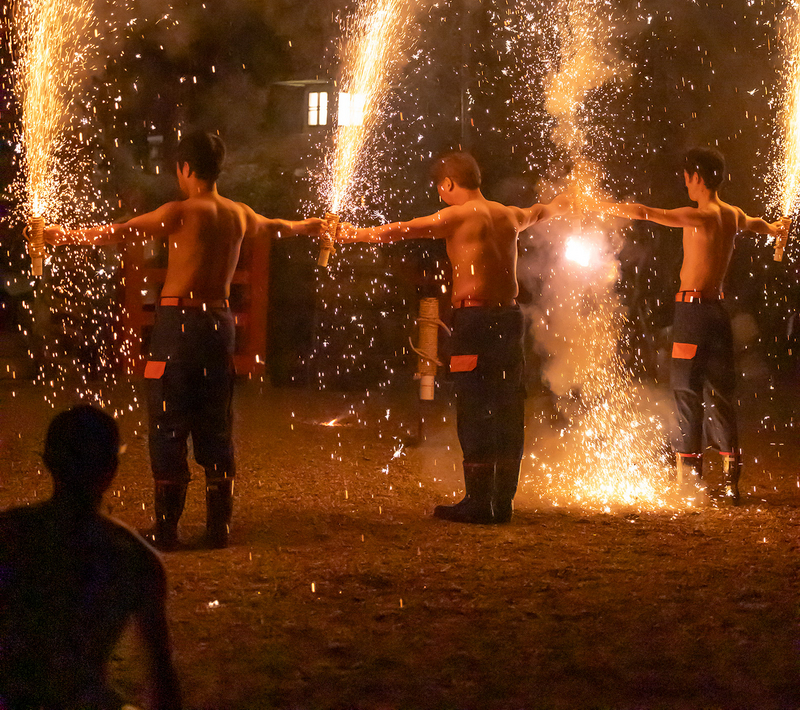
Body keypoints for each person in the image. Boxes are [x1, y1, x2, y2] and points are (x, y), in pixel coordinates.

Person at [44, 130, 322, 550]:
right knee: (215, 418)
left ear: (185, 168)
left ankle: (168, 529)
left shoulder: (179, 212)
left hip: (179, 323)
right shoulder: (239, 214)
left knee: (168, 418)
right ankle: (218, 528)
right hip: (219, 323)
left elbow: (119, 232)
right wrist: (311, 226)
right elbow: (279, 227)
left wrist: (59, 236)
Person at [328, 151, 570, 524]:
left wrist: (352, 235)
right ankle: (501, 501)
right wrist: (566, 201)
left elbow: (401, 229)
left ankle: (478, 501)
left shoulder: (455, 215)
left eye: (440, 187)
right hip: (509, 317)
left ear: (448, 185)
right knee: (507, 404)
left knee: (475, 404)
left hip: (474, 320)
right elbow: (541, 211)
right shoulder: (509, 214)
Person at [602, 146, 789, 502]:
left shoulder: (698, 216)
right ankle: (731, 481)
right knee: (720, 393)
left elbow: (646, 213)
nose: (685, 182)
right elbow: (760, 226)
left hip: (692, 314)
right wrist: (777, 229)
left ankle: (689, 481)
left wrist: (600, 206)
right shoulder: (732, 214)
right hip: (718, 313)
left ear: (697, 178)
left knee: (686, 390)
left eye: (686, 176)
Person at [0, 404, 182, 710]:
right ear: (110, 470)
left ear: (48, 463)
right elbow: (162, 678)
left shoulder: (8, 534)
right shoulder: (132, 557)